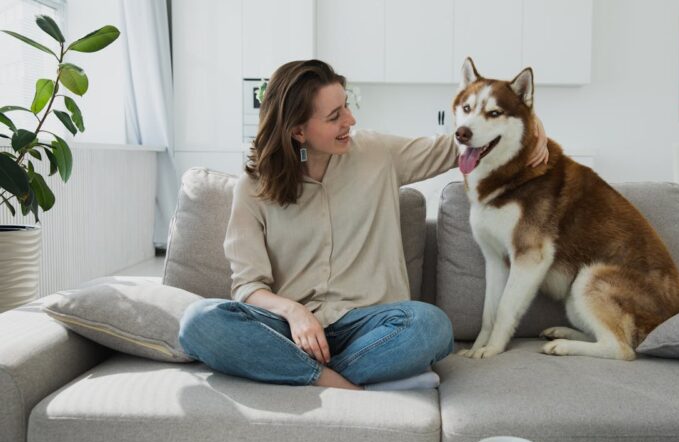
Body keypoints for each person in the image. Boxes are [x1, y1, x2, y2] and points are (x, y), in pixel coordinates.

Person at [178, 59, 546, 390]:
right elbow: (248, 286)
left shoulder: (378, 153)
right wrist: (296, 312)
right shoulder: (254, 187)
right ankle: (339, 380)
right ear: (298, 131)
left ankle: (302, 374)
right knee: (198, 321)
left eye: (347, 106)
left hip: (372, 327)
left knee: (430, 326)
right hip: (290, 331)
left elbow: (462, 143)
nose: (350, 120)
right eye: (334, 116)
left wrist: (534, 126)